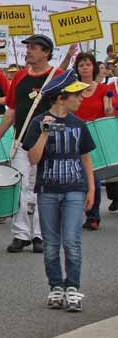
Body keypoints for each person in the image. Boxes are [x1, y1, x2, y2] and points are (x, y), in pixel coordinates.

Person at [23, 70, 96, 313]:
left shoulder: (79, 125)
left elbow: (86, 158)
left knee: (72, 241)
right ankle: (56, 286)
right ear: (62, 98)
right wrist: (44, 133)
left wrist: (91, 188)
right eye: (77, 95)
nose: (81, 99)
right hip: (47, 190)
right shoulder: (38, 122)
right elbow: (33, 159)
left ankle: (73, 288)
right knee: (52, 244)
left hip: (75, 189)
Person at [0, 34, 63, 253]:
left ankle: (40, 234)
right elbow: (11, 112)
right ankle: (21, 234)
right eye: (28, 47)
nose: (28, 51)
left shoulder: (57, 77)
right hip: (21, 140)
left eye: (34, 48)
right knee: (20, 187)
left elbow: (64, 112)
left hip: (48, 141)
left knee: (42, 190)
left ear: (46, 52)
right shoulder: (19, 76)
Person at [73, 52, 113, 230]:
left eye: (88, 64)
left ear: (93, 67)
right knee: (75, 176)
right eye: (81, 65)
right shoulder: (72, 88)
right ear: (78, 68)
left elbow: (108, 110)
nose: (85, 67)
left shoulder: (104, 90)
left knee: (93, 177)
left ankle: (93, 216)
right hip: (75, 134)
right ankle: (74, 212)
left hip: (95, 138)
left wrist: (109, 107)